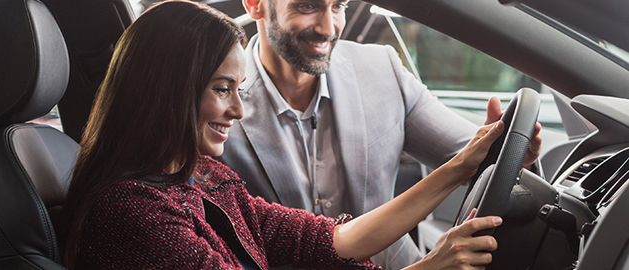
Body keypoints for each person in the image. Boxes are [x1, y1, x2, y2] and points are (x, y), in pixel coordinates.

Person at [58, 1, 507, 269]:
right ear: (168, 90)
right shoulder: (133, 212)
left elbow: (331, 240)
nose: (236, 108)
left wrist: (460, 168)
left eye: (238, 89)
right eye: (221, 89)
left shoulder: (205, 176)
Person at [216, 0, 542, 268]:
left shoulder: (381, 69)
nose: (329, 29)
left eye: (338, 6)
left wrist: (512, 152)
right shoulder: (216, 106)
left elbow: (473, 155)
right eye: (308, 6)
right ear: (256, 5)